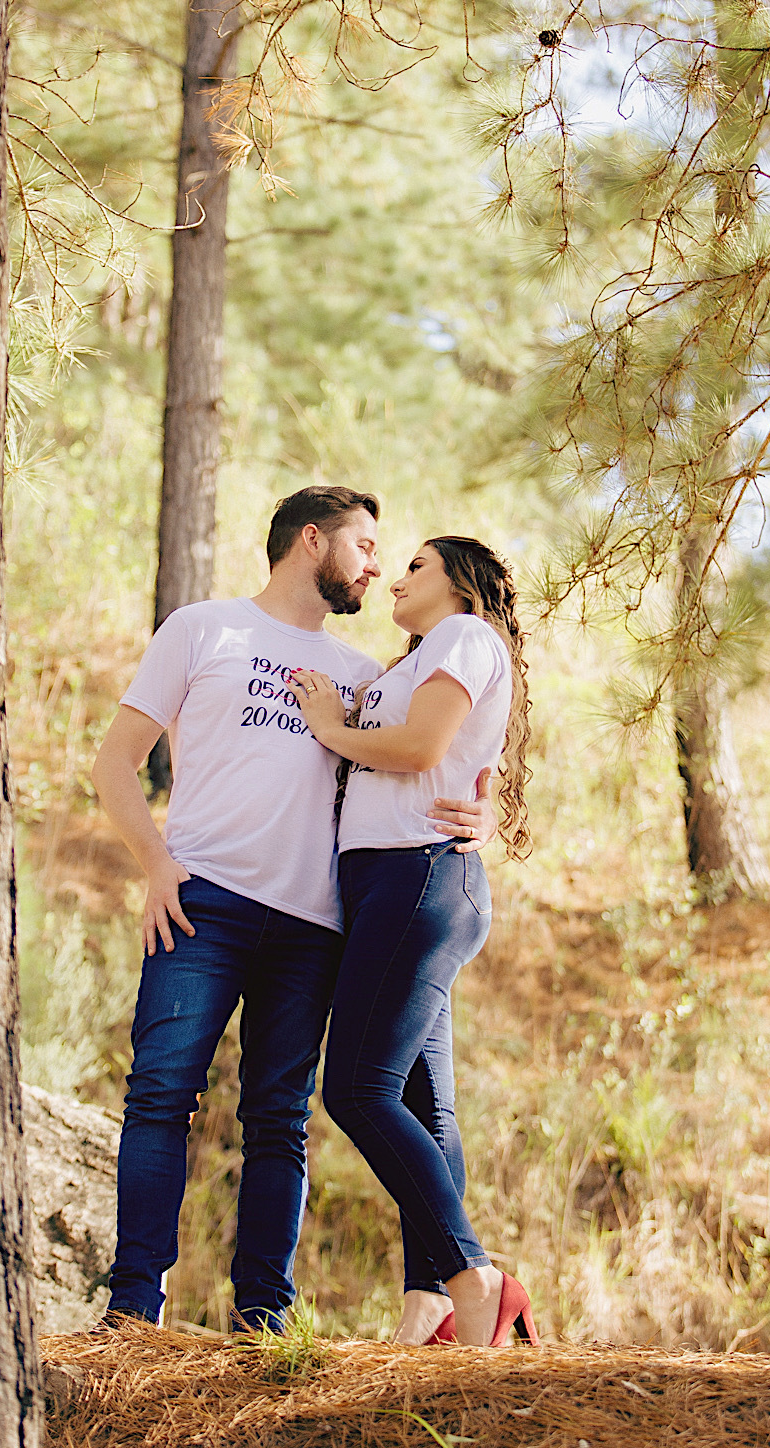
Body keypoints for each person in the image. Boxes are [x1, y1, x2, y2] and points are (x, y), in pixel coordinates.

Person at [90, 487, 493, 1332]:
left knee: (279, 1120)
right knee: (161, 1094)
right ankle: (134, 1309)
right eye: (365, 544)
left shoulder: (362, 672)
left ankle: (264, 1314)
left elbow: (436, 754)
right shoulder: (202, 629)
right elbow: (115, 763)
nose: (378, 566)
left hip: (315, 927)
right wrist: (155, 863)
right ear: (312, 541)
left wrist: (484, 813)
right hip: (201, 905)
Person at [288, 535, 538, 1347]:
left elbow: (422, 749)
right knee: (428, 1107)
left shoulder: (466, 636)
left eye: (418, 567)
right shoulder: (420, 658)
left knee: (357, 1090)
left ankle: (476, 1277)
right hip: (391, 884)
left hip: (418, 878)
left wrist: (328, 723)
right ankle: (428, 1301)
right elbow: (464, 761)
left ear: (461, 584)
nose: (398, 578)